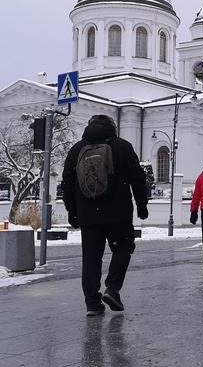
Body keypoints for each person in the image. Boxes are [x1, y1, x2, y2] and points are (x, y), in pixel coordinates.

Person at [62, 114, 148, 316]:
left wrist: (72, 211)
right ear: (112, 128)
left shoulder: (76, 150)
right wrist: (142, 205)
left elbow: (67, 183)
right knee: (124, 247)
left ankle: (92, 303)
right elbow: (138, 178)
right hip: (118, 212)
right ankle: (112, 288)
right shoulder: (122, 146)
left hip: (88, 214)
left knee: (91, 257)